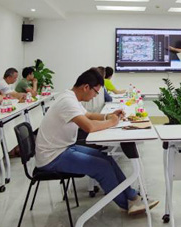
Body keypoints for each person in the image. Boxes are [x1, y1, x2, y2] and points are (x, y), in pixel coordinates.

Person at [35, 68, 158, 215]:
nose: (95, 95)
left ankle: (132, 197)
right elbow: (89, 127)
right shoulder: (67, 101)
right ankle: (127, 205)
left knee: (107, 159)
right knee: (102, 167)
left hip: (63, 148)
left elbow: (88, 115)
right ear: (86, 87)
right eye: (95, 91)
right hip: (52, 157)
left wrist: (109, 116)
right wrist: (112, 122)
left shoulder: (71, 97)